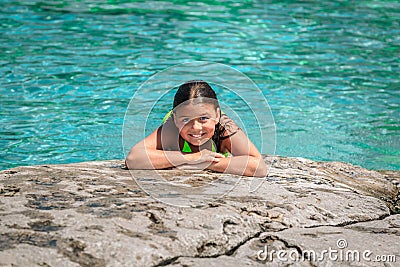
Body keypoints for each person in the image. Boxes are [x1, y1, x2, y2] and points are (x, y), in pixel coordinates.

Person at [125, 80, 266, 177]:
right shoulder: (172, 127)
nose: (196, 127)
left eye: (203, 118)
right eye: (186, 120)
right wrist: (193, 157)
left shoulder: (224, 126)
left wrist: (206, 163)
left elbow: (259, 167)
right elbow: (133, 158)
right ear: (175, 119)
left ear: (217, 115)